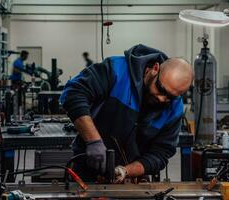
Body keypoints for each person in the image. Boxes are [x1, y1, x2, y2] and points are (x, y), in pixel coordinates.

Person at [60, 44, 194, 183]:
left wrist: (125, 171)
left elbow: (160, 153)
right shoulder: (117, 70)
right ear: (155, 68)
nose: (162, 98)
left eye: (170, 96)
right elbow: (73, 93)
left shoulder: (174, 109)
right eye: (161, 89)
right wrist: (93, 141)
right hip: (86, 170)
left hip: (131, 179)